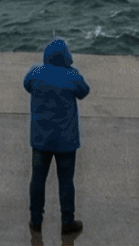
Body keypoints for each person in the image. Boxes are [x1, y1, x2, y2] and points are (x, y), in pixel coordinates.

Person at [24, 38, 90, 234]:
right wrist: (70, 68)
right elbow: (84, 91)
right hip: (66, 141)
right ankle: (67, 222)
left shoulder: (35, 73)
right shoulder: (71, 76)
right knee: (66, 182)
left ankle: (36, 220)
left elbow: (27, 85)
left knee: (37, 180)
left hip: (40, 139)